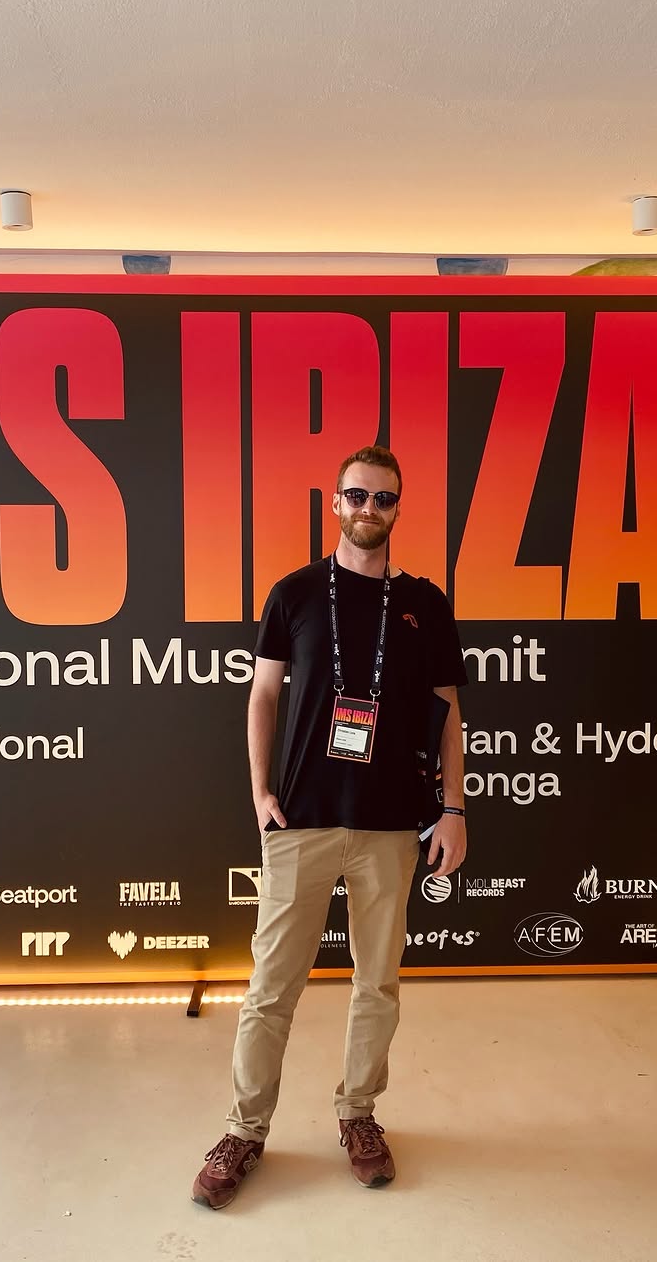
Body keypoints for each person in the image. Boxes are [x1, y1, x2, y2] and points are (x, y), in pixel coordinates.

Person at [192, 445, 468, 1209]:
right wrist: (260, 793)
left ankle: (359, 1115)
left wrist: (453, 808)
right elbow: (262, 696)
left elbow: (450, 714)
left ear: (397, 509)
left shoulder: (424, 604)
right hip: (301, 821)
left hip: (391, 826)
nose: (369, 509)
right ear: (336, 502)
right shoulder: (295, 593)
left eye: (384, 498)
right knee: (270, 987)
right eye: (357, 495)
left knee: (376, 984)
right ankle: (244, 1130)